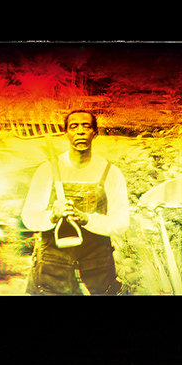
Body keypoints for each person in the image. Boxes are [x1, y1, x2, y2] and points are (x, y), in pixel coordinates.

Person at [20, 110, 129, 295]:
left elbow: (121, 222)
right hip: (52, 268)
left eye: (86, 126)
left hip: (96, 269)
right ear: (66, 133)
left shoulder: (110, 172)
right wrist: (53, 216)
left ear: (95, 133)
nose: (80, 131)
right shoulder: (47, 170)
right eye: (73, 127)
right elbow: (28, 217)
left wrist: (87, 219)